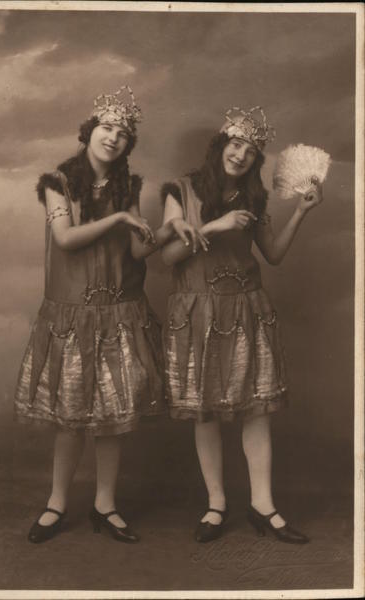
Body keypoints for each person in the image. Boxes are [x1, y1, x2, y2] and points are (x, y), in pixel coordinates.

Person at [15, 86, 195, 544]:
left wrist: (169, 226)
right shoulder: (59, 181)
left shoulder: (128, 186)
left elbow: (138, 249)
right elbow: (66, 239)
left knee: (114, 413)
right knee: (72, 412)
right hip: (73, 310)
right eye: (106, 128)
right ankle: (57, 503)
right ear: (90, 132)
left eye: (122, 133)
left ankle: (105, 505)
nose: (113, 138)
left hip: (119, 308)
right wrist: (117, 219)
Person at [160, 106, 323, 544]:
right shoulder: (180, 190)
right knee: (205, 412)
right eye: (235, 144)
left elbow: (273, 255)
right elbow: (168, 257)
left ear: (256, 160)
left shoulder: (255, 198)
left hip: (247, 308)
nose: (241, 155)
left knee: (256, 411)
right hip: (198, 310)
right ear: (220, 146)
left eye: (251, 150)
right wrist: (216, 224)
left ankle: (263, 506)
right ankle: (216, 505)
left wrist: (301, 212)